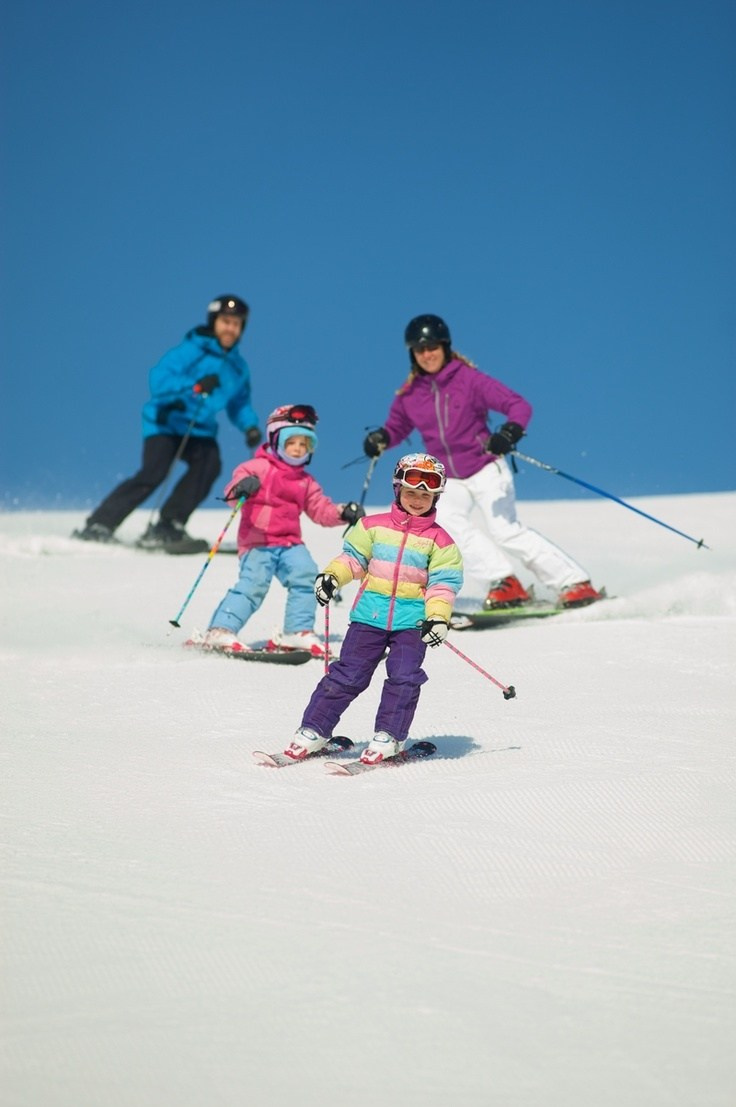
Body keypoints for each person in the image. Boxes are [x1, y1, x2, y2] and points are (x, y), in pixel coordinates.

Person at [362, 313, 602, 610]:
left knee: (505, 529)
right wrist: (381, 438)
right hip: (449, 478)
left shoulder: (469, 380)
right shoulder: (410, 395)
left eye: (433, 346)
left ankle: (574, 583)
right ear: (412, 353)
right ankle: (504, 583)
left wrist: (509, 432)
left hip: (486, 466)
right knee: (444, 527)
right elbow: (397, 427)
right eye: (420, 349)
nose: (427, 354)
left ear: (445, 346)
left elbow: (518, 405)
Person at [283, 453, 463, 764]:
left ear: (435, 496)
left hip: (412, 624)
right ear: (397, 490)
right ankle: (312, 730)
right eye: (411, 493)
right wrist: (332, 577)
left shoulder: (440, 541)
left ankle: (390, 736)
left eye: (425, 495)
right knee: (347, 675)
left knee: (405, 677)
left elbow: (442, 585)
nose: (417, 500)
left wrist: (437, 618)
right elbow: (352, 560)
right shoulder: (372, 527)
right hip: (368, 618)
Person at [72, 295, 262, 555]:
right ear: (214, 322)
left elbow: (239, 403)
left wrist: (249, 426)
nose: (231, 328)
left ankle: (168, 525)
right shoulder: (191, 350)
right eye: (226, 322)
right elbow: (158, 380)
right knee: (154, 472)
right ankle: (99, 525)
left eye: (237, 324)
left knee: (209, 465)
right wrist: (193, 387)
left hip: (200, 429)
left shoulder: (238, 368)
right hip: (166, 422)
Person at [201, 404, 365, 659]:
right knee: (253, 585)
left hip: (289, 543)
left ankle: (296, 632)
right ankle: (221, 630)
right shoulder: (255, 468)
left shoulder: (305, 481)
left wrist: (342, 512)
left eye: (305, 443)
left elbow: (320, 510)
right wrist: (243, 487)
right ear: (276, 440)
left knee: (308, 576)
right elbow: (232, 495)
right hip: (258, 541)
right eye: (292, 442)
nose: (298, 448)